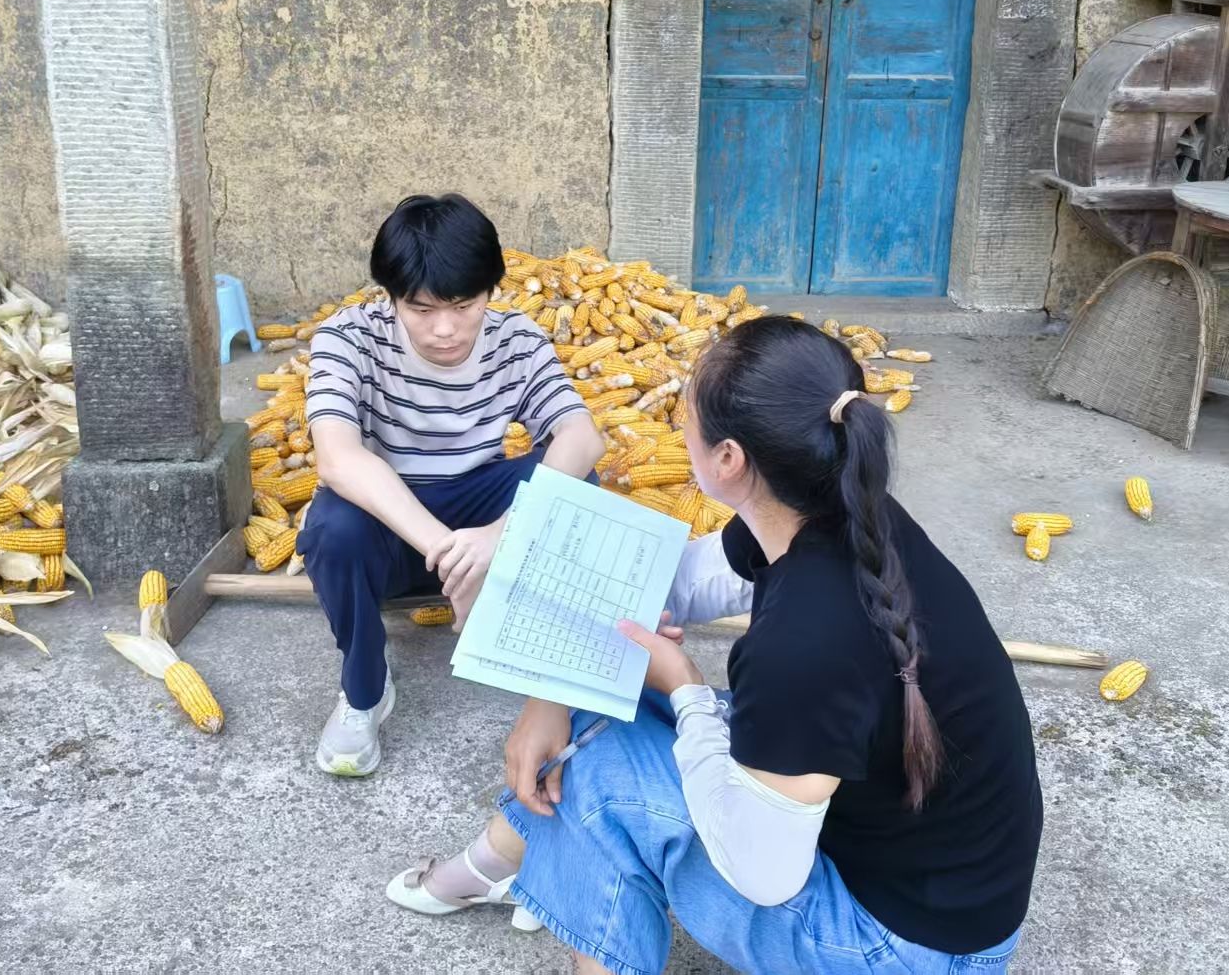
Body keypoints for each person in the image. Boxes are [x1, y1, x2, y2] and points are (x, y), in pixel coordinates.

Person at [387, 316, 1043, 973]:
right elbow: (673, 586)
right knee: (596, 705)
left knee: (597, 774)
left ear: (728, 459)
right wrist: (547, 692)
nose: (679, 430)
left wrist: (686, 689)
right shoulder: (840, 511)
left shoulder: (802, 643)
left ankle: (519, 870)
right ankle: (509, 860)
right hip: (931, 885)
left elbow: (763, 873)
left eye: (685, 416)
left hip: (904, 950)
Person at [300, 194, 606, 778]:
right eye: (420, 309)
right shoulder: (348, 338)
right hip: (391, 527)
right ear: (391, 297)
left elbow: (581, 437)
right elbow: (337, 458)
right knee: (333, 526)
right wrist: (455, 555)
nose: (444, 329)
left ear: (491, 290)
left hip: (476, 506)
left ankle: (551, 669)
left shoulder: (516, 339)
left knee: (579, 484)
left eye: (464, 306)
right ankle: (364, 691)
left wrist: (499, 535)